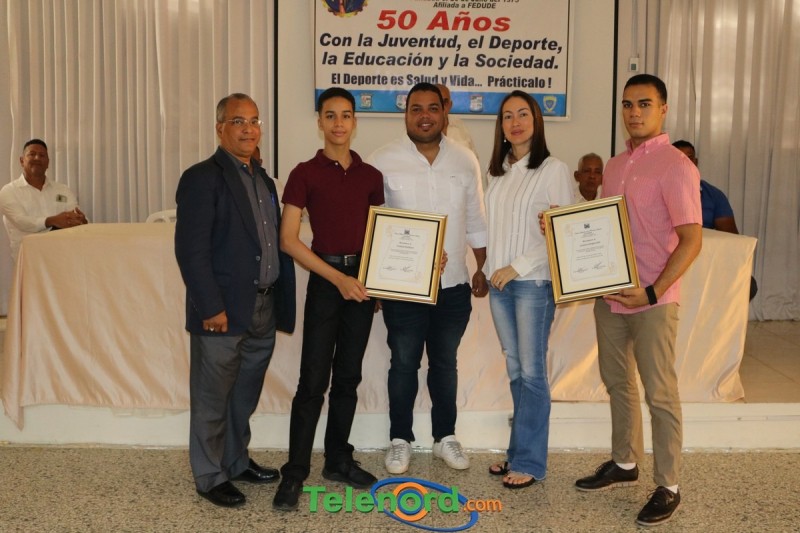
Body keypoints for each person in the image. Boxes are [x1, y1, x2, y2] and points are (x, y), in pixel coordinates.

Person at [573, 74, 702, 527]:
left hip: (653, 299)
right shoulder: (613, 166)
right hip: (611, 296)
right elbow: (603, 228)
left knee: (660, 392)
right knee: (617, 382)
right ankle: (625, 462)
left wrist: (652, 290)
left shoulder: (676, 166)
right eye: (627, 104)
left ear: (663, 109)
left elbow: (691, 240)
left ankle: (669, 485)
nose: (634, 112)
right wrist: (564, 234)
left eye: (644, 104)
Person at [174, 93, 296, 508]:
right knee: (212, 398)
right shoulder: (201, 178)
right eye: (238, 121)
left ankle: (235, 460)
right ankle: (209, 475)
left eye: (254, 121)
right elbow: (191, 251)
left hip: (263, 306)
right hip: (222, 312)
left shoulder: (263, 179)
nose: (248, 129)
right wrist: (210, 307)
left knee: (243, 396)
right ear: (220, 128)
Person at [367, 82, 488, 475]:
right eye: (416, 108)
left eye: (432, 108)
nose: (424, 116)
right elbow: (371, 226)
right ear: (405, 114)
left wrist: (481, 267)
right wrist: (376, 282)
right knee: (403, 363)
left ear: (444, 112)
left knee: (445, 364)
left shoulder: (465, 160)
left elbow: (476, 219)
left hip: (453, 285)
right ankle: (400, 439)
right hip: (402, 290)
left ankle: (444, 437)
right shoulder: (381, 161)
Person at [272, 87, 384, 511]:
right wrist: (338, 279)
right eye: (331, 115)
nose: (339, 123)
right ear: (319, 122)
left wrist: (376, 281)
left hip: (361, 285)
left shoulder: (371, 176)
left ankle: (338, 460)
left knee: (348, 378)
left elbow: (380, 236)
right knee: (312, 381)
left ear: (355, 121)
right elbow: (288, 240)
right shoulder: (304, 173)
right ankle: (295, 472)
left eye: (346, 115)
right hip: (326, 282)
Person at [484, 91, 573, 489]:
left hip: (532, 283)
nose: (515, 122)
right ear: (501, 126)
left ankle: (531, 462)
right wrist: (489, 269)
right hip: (499, 284)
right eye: (508, 116)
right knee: (516, 370)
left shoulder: (554, 169)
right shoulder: (497, 173)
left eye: (523, 114)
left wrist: (514, 267)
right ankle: (517, 452)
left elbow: (560, 232)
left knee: (533, 372)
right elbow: (493, 229)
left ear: (536, 120)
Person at [0, 139, 88, 262]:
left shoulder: (62, 190)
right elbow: (21, 221)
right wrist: (52, 221)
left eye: (42, 155)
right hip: (28, 260)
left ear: (47, 163)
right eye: (32, 154)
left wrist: (82, 221)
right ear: (22, 160)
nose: (37, 158)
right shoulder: (9, 191)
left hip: (63, 258)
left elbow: (74, 214)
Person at [672, 140, 738, 233]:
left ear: (696, 162)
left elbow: (731, 237)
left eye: (689, 158)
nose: (685, 163)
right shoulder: (658, 191)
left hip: (704, 241)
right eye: (679, 158)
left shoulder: (714, 195)